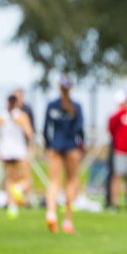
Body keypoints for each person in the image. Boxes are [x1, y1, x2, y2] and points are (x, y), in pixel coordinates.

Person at [43, 77, 86, 233]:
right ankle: (67, 220)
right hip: (71, 147)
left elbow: (45, 128)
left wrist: (48, 145)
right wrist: (81, 147)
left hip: (55, 146)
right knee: (71, 181)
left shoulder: (52, 105)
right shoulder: (76, 106)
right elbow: (79, 129)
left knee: (54, 182)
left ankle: (51, 212)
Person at [0, 93, 34, 218]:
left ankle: (12, 206)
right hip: (19, 151)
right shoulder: (21, 116)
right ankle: (19, 189)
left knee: (10, 179)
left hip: (5, 151)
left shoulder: (1, 116)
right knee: (26, 179)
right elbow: (29, 133)